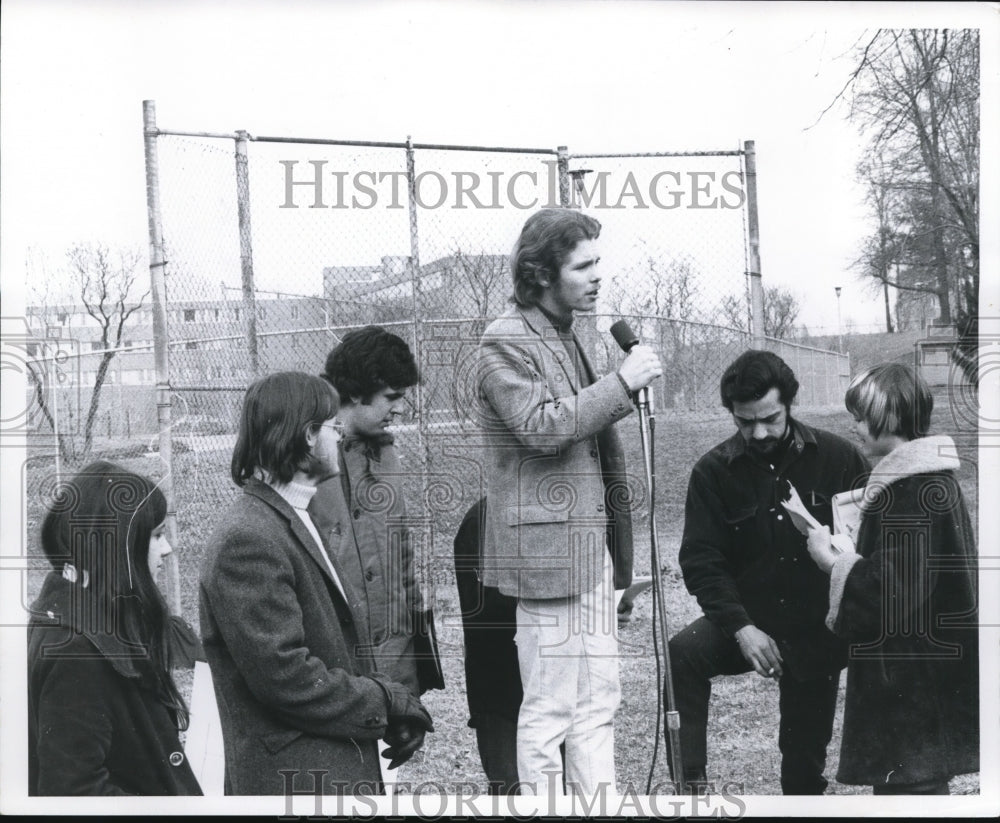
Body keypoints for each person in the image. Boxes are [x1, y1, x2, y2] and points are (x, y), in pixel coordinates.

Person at [476, 208, 662, 796]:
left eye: (597, 262)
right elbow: (541, 426)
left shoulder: (565, 333)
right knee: (551, 708)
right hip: (549, 557)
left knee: (597, 701)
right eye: (583, 265)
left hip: (588, 550)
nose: (597, 275)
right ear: (541, 274)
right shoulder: (505, 340)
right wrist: (622, 383)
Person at [199, 371, 433, 796]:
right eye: (331, 426)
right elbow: (287, 678)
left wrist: (390, 713)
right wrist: (385, 702)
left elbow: (333, 651)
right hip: (297, 783)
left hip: (327, 769)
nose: (340, 436)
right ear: (308, 435)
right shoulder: (249, 539)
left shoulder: (296, 518)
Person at [669, 349, 869, 794]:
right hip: (751, 619)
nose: (758, 432)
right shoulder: (712, 472)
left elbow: (868, 547)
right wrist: (741, 628)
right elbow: (702, 561)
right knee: (682, 653)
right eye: (745, 422)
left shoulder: (841, 459)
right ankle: (689, 791)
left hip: (817, 630)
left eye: (770, 419)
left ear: (790, 404)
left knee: (801, 769)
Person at [805, 363, 978, 795]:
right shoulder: (930, 481)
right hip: (928, 679)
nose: (854, 427)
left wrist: (833, 562)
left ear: (891, 417)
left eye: (861, 417)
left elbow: (891, 593)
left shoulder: (909, 490)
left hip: (912, 687)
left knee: (912, 793)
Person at [28, 461, 203, 796]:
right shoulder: (76, 649)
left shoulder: (87, 616)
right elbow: (74, 793)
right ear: (118, 547)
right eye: (156, 535)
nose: (167, 548)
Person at [309, 326, 442, 700]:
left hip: (391, 657)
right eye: (391, 397)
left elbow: (402, 556)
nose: (400, 408)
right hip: (336, 662)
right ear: (354, 392)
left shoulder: (385, 455)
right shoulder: (301, 460)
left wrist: (412, 671)